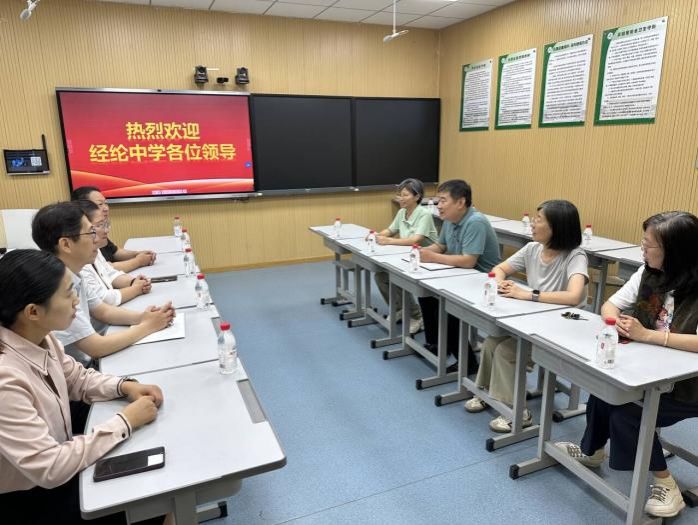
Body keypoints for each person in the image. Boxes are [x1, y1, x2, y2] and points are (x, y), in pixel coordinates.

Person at [0, 249, 164, 524]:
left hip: (57, 460)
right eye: (68, 294)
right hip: (30, 499)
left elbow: (78, 379)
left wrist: (124, 386)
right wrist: (124, 422)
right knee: (150, 501)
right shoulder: (5, 379)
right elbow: (50, 467)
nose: (77, 300)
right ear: (33, 312)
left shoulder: (41, 337)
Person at [555, 211, 698, 519]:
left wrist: (648, 335)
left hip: (690, 385)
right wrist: (615, 322)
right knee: (605, 389)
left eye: (649, 245)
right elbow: (611, 304)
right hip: (651, 368)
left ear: (674, 251)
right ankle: (592, 452)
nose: (642, 249)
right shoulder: (649, 273)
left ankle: (666, 484)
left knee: (627, 411)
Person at [464, 200, 589, 433]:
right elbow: (499, 269)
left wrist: (527, 294)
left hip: (561, 326)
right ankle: (488, 393)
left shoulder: (575, 256)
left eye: (539, 220)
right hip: (533, 319)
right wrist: (501, 283)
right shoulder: (532, 249)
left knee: (507, 352)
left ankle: (518, 413)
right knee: (491, 342)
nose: (532, 223)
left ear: (557, 227)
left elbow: (573, 296)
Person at [31, 202, 174, 364]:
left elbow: (103, 311)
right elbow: (96, 346)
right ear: (66, 244)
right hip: (83, 369)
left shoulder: (73, 273)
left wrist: (143, 317)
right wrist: (147, 326)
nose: (96, 239)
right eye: (91, 232)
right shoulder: (55, 288)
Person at [418, 179, 501, 372]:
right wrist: (421, 253)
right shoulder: (450, 219)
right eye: (438, 200)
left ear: (461, 202)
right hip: (459, 275)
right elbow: (441, 246)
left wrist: (433, 257)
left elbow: (469, 261)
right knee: (425, 294)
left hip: (482, 280)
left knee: (449, 308)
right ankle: (438, 344)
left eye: (443, 200)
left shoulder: (475, 222)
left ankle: (468, 363)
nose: (438, 205)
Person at [371, 178, 438, 334]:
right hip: (407, 256)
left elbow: (416, 240)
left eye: (405, 195)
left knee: (398, 278)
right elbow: (390, 230)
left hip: (427, 259)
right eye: (400, 195)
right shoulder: (402, 212)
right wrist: (376, 236)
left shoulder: (424, 214)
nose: (401, 198)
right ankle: (399, 309)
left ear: (417, 196)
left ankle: (417, 316)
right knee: (381, 276)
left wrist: (389, 241)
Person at [75, 200, 152, 309]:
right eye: (100, 225)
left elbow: (109, 273)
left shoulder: (95, 249)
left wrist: (133, 282)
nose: (106, 230)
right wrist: (135, 289)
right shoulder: (79, 263)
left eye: (105, 224)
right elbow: (103, 299)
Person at [71, 186, 156, 272]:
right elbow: (105, 269)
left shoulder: (99, 231)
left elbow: (114, 252)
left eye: (106, 203)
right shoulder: (84, 238)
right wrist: (139, 261)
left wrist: (137, 254)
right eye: (100, 204)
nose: (106, 208)